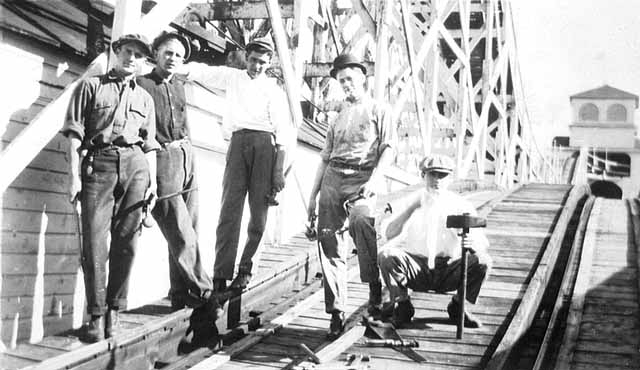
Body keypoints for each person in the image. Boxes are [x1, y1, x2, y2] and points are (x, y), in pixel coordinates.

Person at [63, 34, 159, 343]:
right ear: (115, 52)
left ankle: (114, 310)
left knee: (127, 243)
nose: (132, 58)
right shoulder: (90, 87)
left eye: (139, 55)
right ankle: (96, 314)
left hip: (135, 168)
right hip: (98, 165)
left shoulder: (145, 98)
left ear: (144, 61)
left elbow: (149, 144)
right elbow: (75, 134)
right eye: (127, 51)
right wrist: (74, 176)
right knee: (94, 242)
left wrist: (153, 182)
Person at [180, 36, 289, 294]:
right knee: (229, 209)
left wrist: (278, 171)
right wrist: (179, 69)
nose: (257, 66)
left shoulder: (274, 89)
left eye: (262, 62)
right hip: (238, 143)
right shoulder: (233, 78)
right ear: (246, 58)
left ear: (269, 62)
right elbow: (205, 72)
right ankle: (221, 273)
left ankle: (246, 269)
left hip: (265, 146)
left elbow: (283, 132)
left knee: (258, 214)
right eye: (252, 60)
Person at [137, 31, 219, 346]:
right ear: (155, 53)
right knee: (180, 231)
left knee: (190, 230)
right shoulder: (143, 84)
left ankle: (180, 294)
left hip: (187, 154)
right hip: (162, 159)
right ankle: (205, 293)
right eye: (168, 53)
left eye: (178, 55)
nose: (173, 59)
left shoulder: (179, 86)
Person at [307, 53, 397, 339]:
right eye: (341, 80)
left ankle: (373, 291)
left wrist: (375, 179)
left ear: (363, 78)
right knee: (329, 242)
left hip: (363, 177)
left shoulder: (380, 110)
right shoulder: (337, 118)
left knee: (362, 222)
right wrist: (313, 197)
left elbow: (389, 148)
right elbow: (324, 158)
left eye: (350, 79)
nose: (346, 84)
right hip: (334, 177)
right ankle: (336, 311)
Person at [378, 154, 492, 327]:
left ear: (450, 178)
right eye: (433, 174)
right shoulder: (411, 200)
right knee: (386, 256)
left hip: (449, 269)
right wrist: (411, 209)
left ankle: (457, 305)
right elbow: (388, 233)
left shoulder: (460, 205)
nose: (437, 180)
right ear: (423, 175)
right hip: (419, 269)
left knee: (483, 261)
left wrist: (470, 244)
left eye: (443, 175)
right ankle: (403, 305)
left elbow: (480, 243)